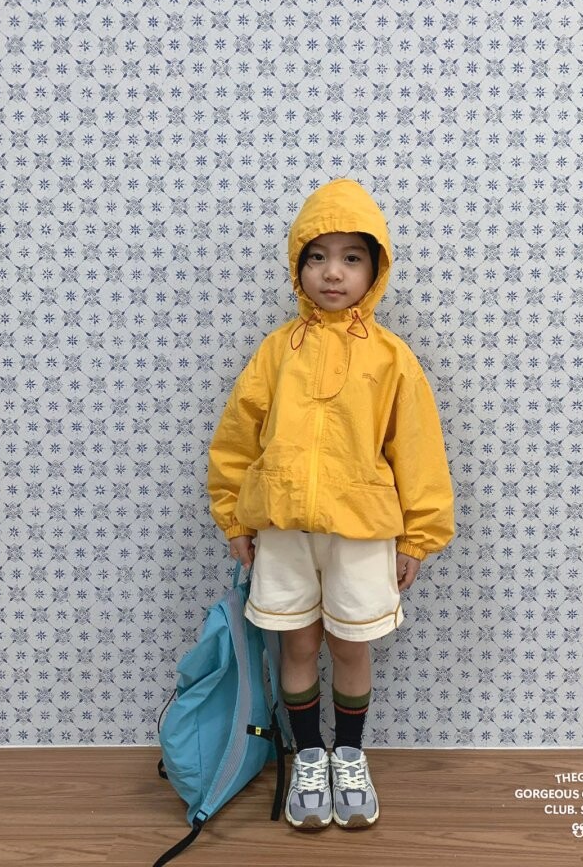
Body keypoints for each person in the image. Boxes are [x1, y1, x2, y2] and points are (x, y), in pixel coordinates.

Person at [208, 178, 454, 830]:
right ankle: (308, 757)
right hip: (283, 531)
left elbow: (418, 450)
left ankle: (349, 753)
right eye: (316, 256)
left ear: (375, 268)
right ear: (298, 266)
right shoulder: (275, 353)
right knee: (297, 646)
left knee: (350, 647)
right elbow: (237, 437)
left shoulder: (391, 359)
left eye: (350, 257)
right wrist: (233, 516)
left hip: (361, 534)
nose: (333, 272)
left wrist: (418, 537)